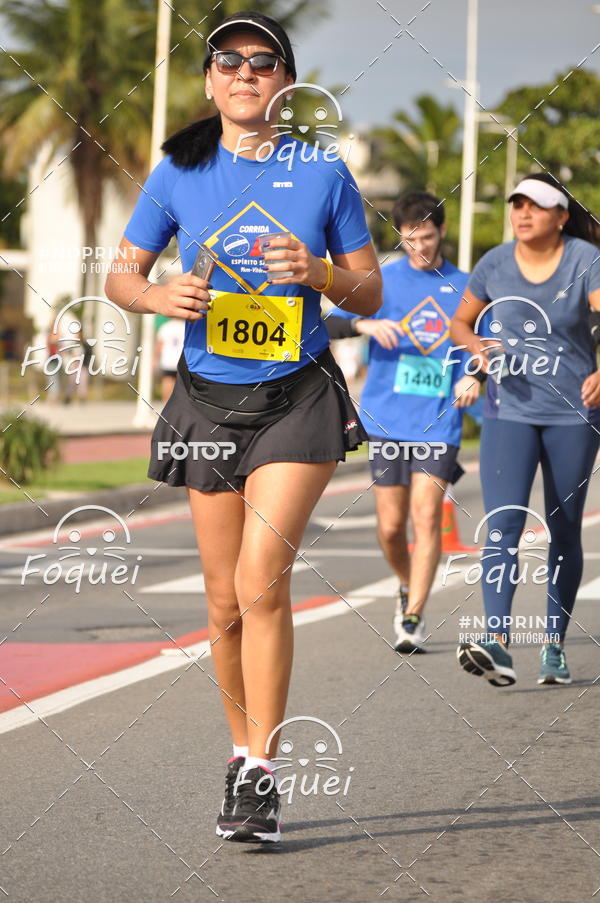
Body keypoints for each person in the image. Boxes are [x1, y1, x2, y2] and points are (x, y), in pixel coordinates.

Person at [105, 11, 381, 843]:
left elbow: (370, 293)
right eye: (230, 60)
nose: (246, 73)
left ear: (284, 83)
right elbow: (123, 273)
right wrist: (158, 297)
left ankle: (263, 771)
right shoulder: (178, 170)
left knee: (262, 580)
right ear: (211, 79)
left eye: (264, 62)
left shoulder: (323, 172)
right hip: (205, 402)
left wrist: (323, 271)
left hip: (296, 398)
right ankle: (238, 748)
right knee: (222, 603)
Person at [451, 172, 600, 687]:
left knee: (563, 527)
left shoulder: (584, 259)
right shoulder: (494, 262)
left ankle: (554, 646)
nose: (522, 213)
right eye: (516, 204)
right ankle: (497, 641)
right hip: (507, 411)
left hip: (572, 413)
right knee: (504, 524)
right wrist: (477, 349)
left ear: (560, 215)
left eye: (535, 205)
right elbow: (461, 324)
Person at [325, 191, 479, 652]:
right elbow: (324, 324)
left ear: (443, 232)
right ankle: (406, 582)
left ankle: (413, 615)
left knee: (426, 516)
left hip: (438, 420)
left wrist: (473, 376)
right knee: (390, 528)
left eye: (427, 238)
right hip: (387, 421)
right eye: (411, 239)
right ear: (400, 236)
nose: (420, 248)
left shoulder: (466, 286)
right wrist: (363, 326)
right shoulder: (381, 284)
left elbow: (485, 344)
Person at [154, 317, 185, 402]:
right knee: (181, 383)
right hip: (181, 359)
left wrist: (155, 358)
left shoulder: (165, 327)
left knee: (167, 380)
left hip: (168, 359)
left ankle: (166, 401)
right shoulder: (185, 326)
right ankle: (179, 403)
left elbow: (160, 345)